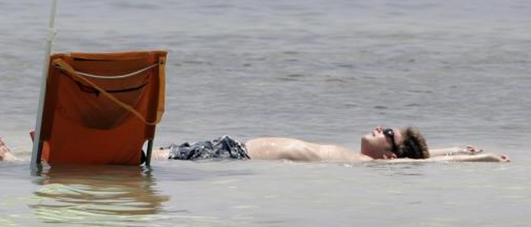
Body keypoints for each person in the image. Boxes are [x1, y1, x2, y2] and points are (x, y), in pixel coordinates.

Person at [152, 126, 510, 163]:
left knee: (152, 158)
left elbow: (417, 163)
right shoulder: (353, 155)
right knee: (154, 156)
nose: (379, 127)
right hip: (227, 147)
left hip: (231, 154)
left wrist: (482, 158)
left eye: (387, 133)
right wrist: (455, 146)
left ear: (388, 155)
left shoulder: (366, 164)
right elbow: (421, 158)